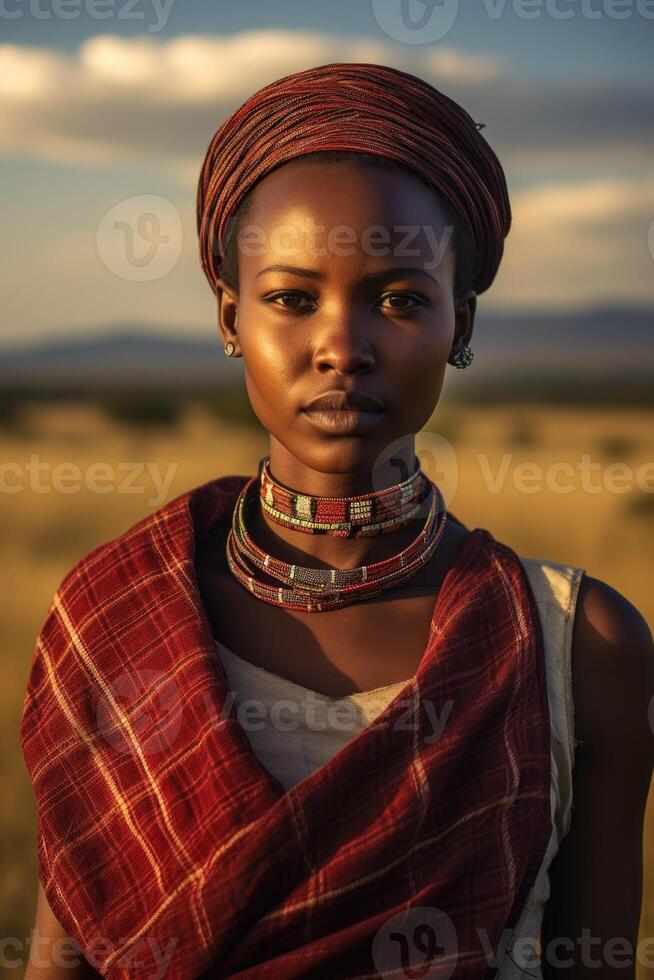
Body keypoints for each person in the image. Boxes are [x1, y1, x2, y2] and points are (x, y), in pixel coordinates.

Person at [21, 63, 653, 980]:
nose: (342, 348)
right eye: (290, 298)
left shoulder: (578, 647)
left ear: (461, 326)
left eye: (400, 301)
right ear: (231, 318)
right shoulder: (114, 615)